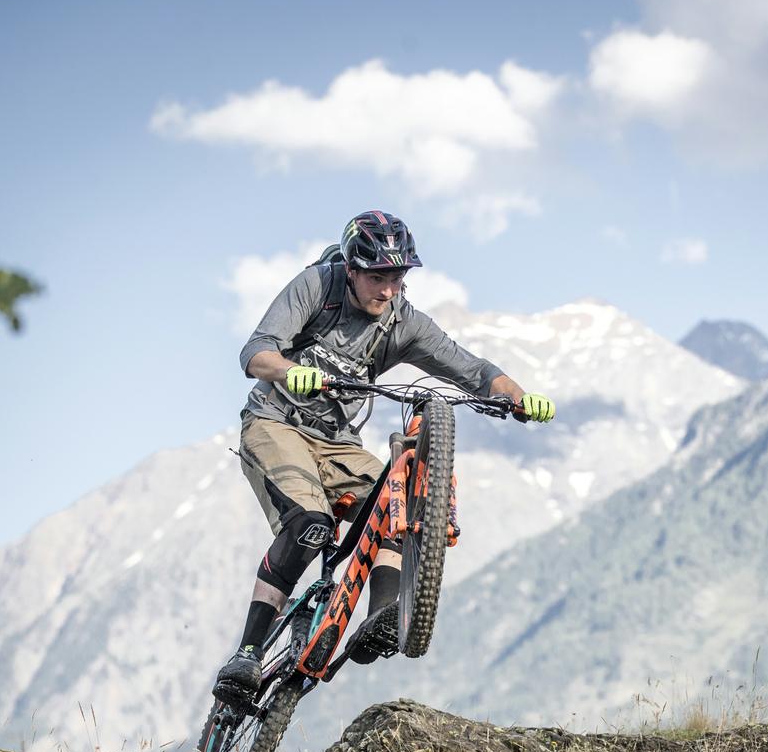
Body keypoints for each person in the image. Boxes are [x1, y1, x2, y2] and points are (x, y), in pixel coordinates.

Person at [215, 210, 555, 697]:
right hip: (277, 423)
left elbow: (473, 370)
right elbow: (255, 353)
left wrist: (521, 398)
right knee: (311, 525)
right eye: (377, 277)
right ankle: (246, 655)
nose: (389, 289)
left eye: (398, 278)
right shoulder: (317, 288)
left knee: (397, 505)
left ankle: (381, 617)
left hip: (339, 443)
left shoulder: (403, 322)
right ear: (352, 269)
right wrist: (289, 371)